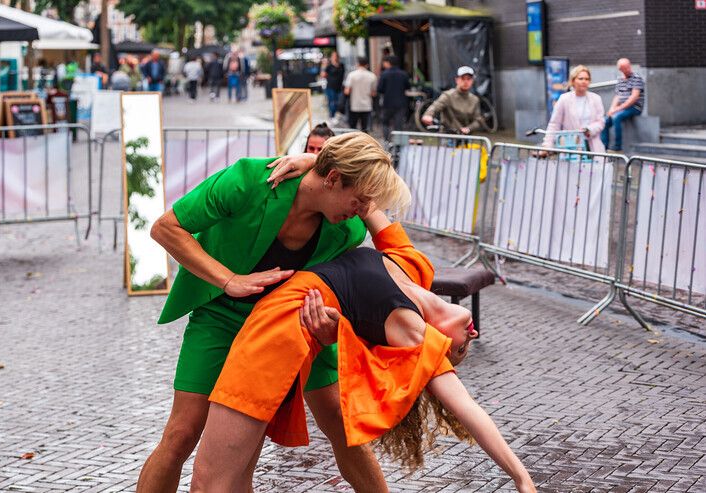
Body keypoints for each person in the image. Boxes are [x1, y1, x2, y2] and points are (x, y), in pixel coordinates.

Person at [190, 206, 537, 493]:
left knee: (211, 482)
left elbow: (467, 409)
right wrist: (310, 160)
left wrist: (521, 479)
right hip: (279, 321)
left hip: (279, 332)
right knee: (229, 480)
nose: (470, 339)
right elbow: (366, 199)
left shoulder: (415, 334)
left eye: (457, 351)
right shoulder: (412, 264)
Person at [137, 132, 399, 492]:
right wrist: (229, 280)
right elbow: (166, 228)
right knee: (182, 433)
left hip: (298, 322)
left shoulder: (347, 230)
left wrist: (333, 326)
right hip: (223, 317)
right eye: (360, 200)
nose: (363, 210)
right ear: (334, 178)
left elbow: (361, 266)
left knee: (341, 421)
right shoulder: (248, 181)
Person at [540, 65, 605, 155]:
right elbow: (554, 124)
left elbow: (601, 122)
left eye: (587, 79)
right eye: (580, 78)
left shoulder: (596, 98)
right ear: (573, 81)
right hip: (570, 148)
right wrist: (547, 145)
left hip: (592, 147)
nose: (584, 82)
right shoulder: (564, 99)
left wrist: (589, 129)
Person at [421, 66, 485, 135]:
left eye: (468, 79)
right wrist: (428, 115)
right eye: (463, 78)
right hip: (448, 135)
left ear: (472, 81)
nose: (466, 82)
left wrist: (469, 128)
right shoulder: (448, 95)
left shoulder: (474, 99)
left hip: (466, 137)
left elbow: (478, 120)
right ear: (457, 80)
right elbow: (435, 106)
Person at [602, 58, 645, 152]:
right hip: (622, 108)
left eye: (628, 67)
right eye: (625, 68)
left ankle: (618, 147)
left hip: (635, 107)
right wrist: (611, 109)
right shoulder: (620, 79)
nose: (628, 69)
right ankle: (604, 147)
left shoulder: (636, 78)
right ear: (620, 69)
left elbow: (633, 98)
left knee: (616, 117)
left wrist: (616, 110)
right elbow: (617, 96)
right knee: (605, 120)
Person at [377, 55, 410, 141]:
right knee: (399, 125)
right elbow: (407, 87)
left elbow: (380, 89)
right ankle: (398, 145)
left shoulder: (384, 74)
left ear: (388, 63)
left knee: (385, 123)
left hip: (387, 103)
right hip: (401, 103)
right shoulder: (403, 74)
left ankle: (387, 141)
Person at [344, 57, 377, 132]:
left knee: (353, 128)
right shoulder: (372, 76)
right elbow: (373, 93)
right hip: (367, 105)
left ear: (358, 64)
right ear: (367, 65)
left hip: (354, 105)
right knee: (365, 128)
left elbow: (347, 91)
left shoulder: (352, 75)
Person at [320, 52, 345, 122]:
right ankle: (332, 116)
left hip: (339, 87)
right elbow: (322, 75)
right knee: (332, 102)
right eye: (333, 56)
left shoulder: (341, 65)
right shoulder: (329, 66)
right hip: (330, 87)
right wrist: (324, 65)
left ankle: (337, 115)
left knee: (339, 102)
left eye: (336, 56)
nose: (335, 58)